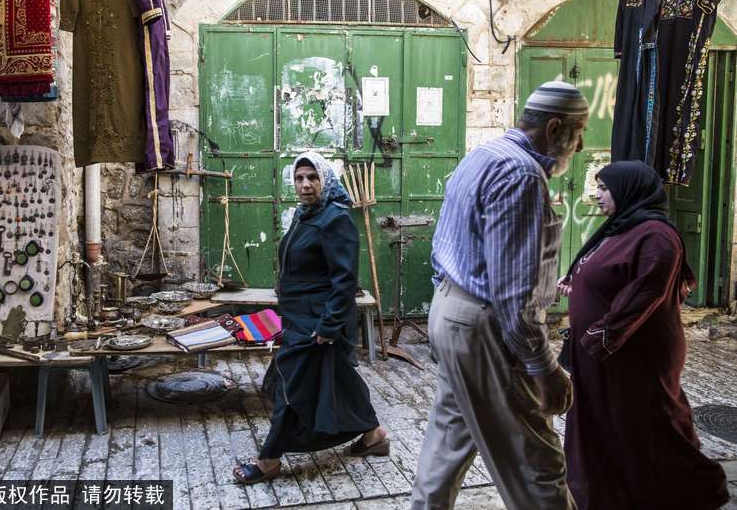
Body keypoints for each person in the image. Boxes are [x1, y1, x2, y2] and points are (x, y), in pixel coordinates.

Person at [412, 81, 589, 510]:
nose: (580, 146)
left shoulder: (483, 156)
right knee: (536, 467)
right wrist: (544, 368)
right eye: (578, 133)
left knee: (447, 446)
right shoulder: (521, 173)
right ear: (553, 128)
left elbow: (444, 245)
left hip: (452, 312)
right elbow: (514, 294)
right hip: (485, 327)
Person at [558, 161, 728, 510]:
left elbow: (645, 292)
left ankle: (693, 486)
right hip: (606, 349)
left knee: (649, 422)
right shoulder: (622, 228)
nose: (598, 194)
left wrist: (600, 335)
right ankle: (613, 492)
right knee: (609, 421)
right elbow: (609, 273)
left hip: (635, 351)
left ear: (628, 190)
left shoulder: (657, 236)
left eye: (604, 188)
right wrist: (578, 283)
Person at [233, 151, 388, 485]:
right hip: (298, 315)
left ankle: (269, 459)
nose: (305, 185)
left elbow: (344, 279)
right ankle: (374, 434)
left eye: (312, 178)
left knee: (293, 385)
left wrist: (330, 325)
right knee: (340, 377)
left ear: (325, 180)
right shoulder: (306, 215)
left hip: (318, 320)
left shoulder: (336, 219)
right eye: (299, 178)